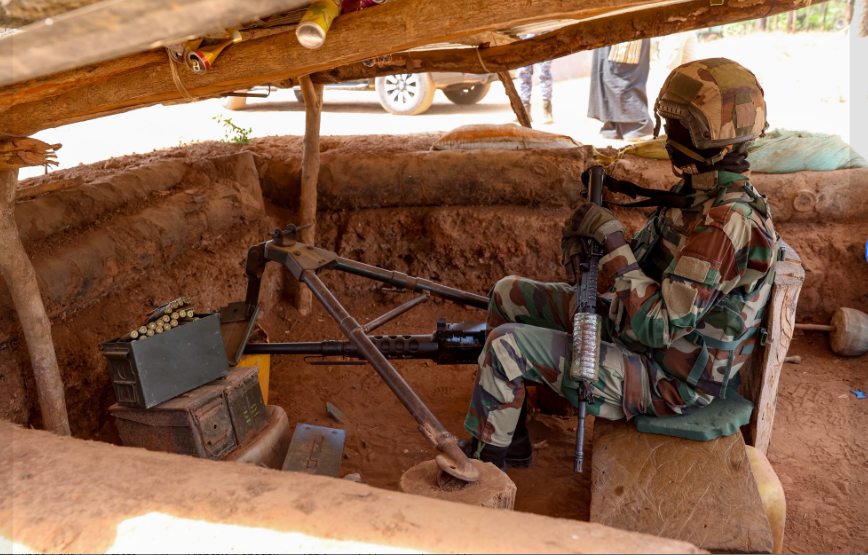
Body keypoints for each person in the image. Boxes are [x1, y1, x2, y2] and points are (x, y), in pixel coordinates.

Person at [463, 58, 780, 470]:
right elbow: (646, 273)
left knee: (507, 347)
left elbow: (657, 325)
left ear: (709, 139)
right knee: (508, 294)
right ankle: (509, 435)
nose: (669, 135)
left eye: (679, 127)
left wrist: (613, 243)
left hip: (666, 380)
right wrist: (590, 248)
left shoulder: (725, 224)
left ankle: (484, 470)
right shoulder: (698, 196)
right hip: (634, 333)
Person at [587, 39, 654, 141]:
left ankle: (637, 127)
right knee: (606, 73)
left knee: (620, 75)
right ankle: (614, 125)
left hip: (624, 31)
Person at [517, 34, 554, 124]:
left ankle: (547, 110)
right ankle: (525, 112)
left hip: (542, 37)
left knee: (544, 74)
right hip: (524, 38)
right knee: (524, 75)